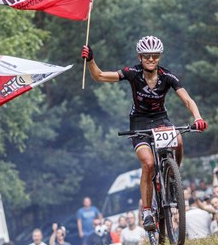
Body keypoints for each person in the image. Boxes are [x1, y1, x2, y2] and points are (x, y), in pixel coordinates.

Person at [82, 36, 208, 231]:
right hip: (139, 123)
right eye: (147, 56)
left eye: (155, 56)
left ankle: (173, 176)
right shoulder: (132, 73)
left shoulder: (168, 76)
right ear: (140, 56)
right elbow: (99, 76)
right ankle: (147, 211)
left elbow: (187, 100)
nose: (151, 59)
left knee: (179, 141)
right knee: (148, 163)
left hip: (160, 120)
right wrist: (91, 60)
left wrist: (198, 117)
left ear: (159, 57)